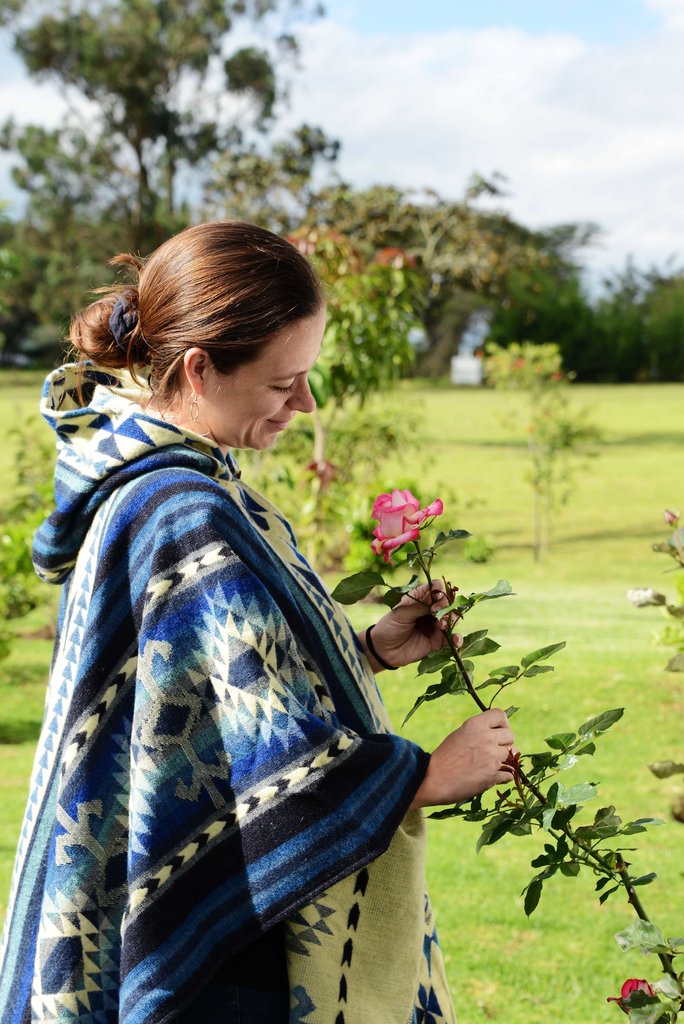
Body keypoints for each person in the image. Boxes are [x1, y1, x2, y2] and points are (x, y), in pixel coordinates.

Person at [0, 221, 515, 1024]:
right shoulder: (184, 507)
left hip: (206, 885)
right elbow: (280, 759)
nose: (305, 403)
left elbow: (199, 685)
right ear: (201, 369)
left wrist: (365, 650)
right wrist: (427, 775)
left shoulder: (151, 477)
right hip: (225, 933)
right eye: (285, 383)